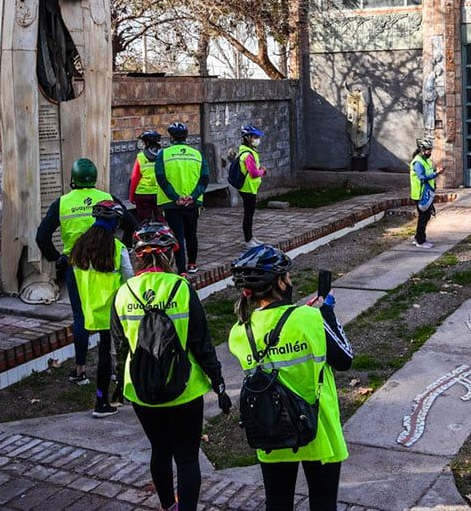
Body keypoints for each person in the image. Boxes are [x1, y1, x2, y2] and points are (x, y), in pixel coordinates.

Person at [111, 222, 230, 511]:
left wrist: (117, 384)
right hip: (184, 388)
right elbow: (202, 344)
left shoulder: (123, 292)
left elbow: (120, 346)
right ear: (169, 255)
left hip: (140, 387)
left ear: (138, 257)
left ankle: (167, 506)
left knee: (159, 451)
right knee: (187, 457)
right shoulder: (182, 288)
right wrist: (219, 382)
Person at [228, 245, 352, 511]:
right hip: (319, 428)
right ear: (281, 282)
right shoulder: (309, 317)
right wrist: (327, 312)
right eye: (288, 276)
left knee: (278, 502)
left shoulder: (239, 332)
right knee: (323, 502)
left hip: (270, 426)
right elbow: (345, 359)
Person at [36, 157, 137, 386]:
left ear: (73, 179)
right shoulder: (107, 198)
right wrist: (125, 245)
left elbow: (42, 236)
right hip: (107, 263)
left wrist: (58, 259)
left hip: (77, 266)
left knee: (80, 317)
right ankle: (113, 367)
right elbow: (132, 223)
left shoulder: (62, 203)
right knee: (110, 315)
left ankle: (80, 370)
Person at [70, 201, 134, 417]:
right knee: (116, 353)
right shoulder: (117, 249)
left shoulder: (79, 247)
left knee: (103, 353)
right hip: (113, 311)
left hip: (89, 309)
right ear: (115, 223)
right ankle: (104, 401)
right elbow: (130, 280)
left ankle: (102, 398)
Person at [154, 121, 209, 275]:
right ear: (186, 137)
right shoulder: (197, 154)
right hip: (193, 203)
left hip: (172, 204)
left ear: (171, 137)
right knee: (191, 234)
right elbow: (204, 179)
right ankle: (192, 263)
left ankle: (182, 270)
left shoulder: (163, 155)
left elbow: (161, 178)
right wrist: (193, 196)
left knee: (177, 236)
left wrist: (175, 197)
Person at [236, 124, 267, 247]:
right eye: (255, 137)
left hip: (249, 187)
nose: (257, 139)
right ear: (248, 138)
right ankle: (248, 240)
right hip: (248, 188)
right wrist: (263, 171)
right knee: (248, 215)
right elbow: (254, 173)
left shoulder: (247, 151)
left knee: (250, 214)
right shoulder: (248, 154)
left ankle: (251, 237)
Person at [409, 137, 442, 249]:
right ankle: (420, 241)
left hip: (426, 192)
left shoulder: (425, 160)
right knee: (424, 216)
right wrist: (435, 174)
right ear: (422, 149)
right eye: (428, 150)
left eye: (430, 150)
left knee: (425, 216)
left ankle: (418, 237)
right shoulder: (418, 162)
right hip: (420, 194)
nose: (430, 152)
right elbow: (422, 177)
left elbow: (428, 173)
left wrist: (435, 172)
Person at [129, 130, 165, 224]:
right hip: (160, 193)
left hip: (142, 193)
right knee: (161, 220)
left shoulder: (141, 156)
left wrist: (132, 195)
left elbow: (135, 178)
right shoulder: (164, 155)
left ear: (146, 142)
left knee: (143, 222)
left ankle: (145, 238)